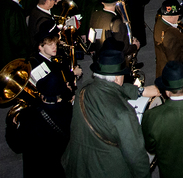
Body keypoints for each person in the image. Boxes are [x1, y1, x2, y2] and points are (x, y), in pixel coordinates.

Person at [62, 49, 155, 178]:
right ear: (117, 78)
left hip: (77, 165)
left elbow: (107, 87)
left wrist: (138, 91)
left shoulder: (82, 91)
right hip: (106, 170)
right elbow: (136, 157)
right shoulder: (124, 114)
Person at [153, 0, 183, 78]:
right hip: (172, 76)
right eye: (178, 15)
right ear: (171, 16)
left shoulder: (159, 21)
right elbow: (174, 61)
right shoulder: (171, 35)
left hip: (162, 68)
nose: (179, 17)